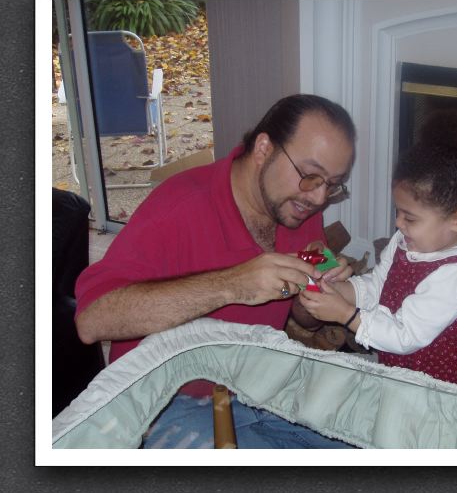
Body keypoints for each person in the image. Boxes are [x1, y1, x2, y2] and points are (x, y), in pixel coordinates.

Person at [74, 94, 357, 448]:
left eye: (333, 184)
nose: (318, 198)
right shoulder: (178, 206)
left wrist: (319, 291)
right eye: (310, 176)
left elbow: (305, 317)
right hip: (164, 404)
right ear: (264, 148)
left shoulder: (300, 209)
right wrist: (233, 284)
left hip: (259, 389)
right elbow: (92, 320)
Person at [300, 110, 457, 388]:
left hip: (443, 390)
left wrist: (345, 314)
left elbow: (404, 336)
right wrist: (341, 292)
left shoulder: (456, 275)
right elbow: (380, 286)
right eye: (398, 211)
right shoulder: (405, 240)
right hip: (405, 376)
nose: (397, 222)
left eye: (410, 217)